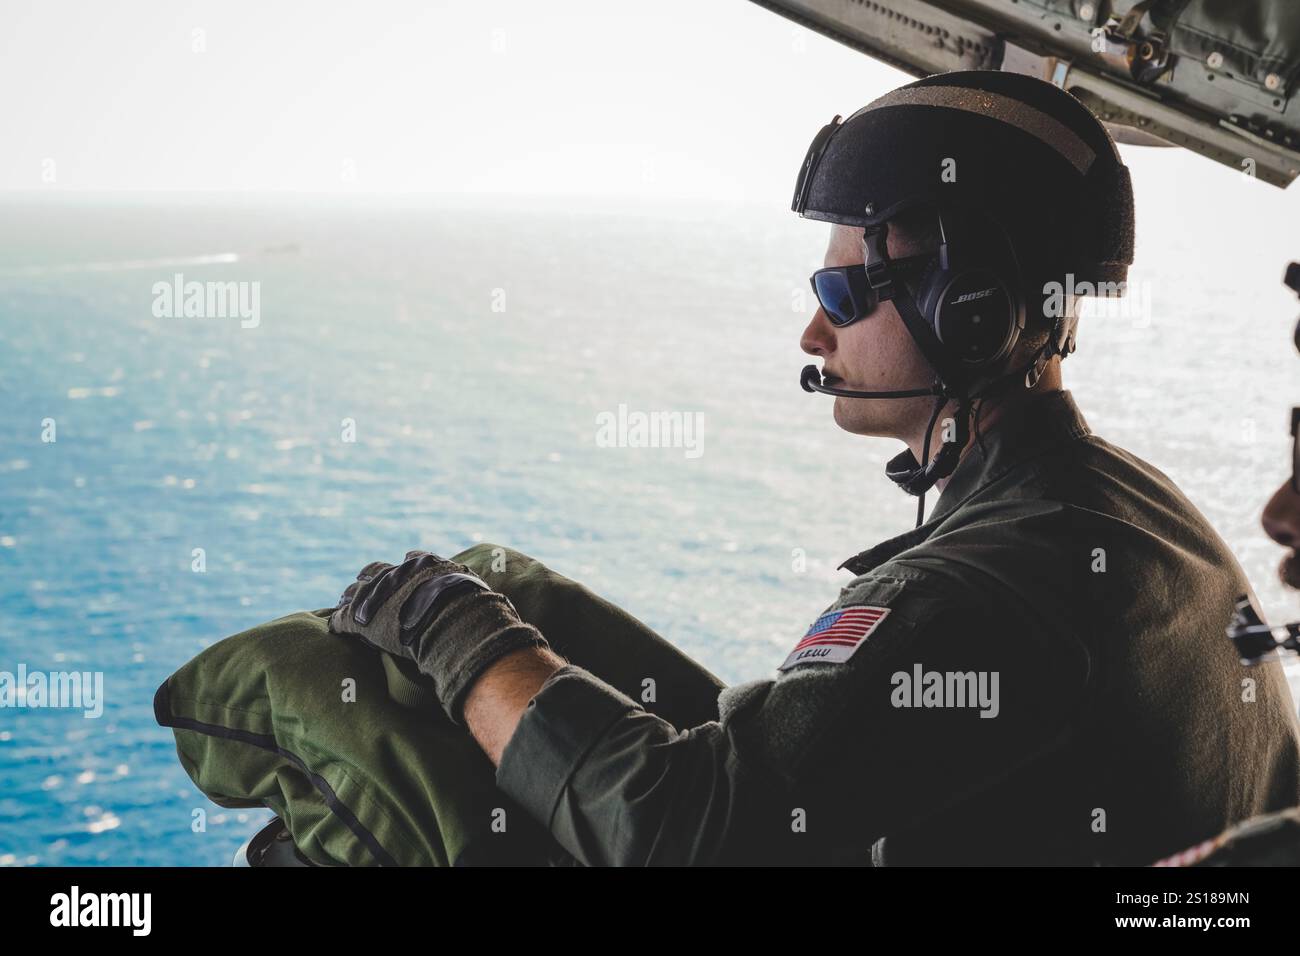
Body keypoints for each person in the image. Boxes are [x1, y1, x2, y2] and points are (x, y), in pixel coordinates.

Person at [328, 71, 1300, 865]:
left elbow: (677, 831)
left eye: (842, 288)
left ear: (969, 311)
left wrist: (450, 631)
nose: (813, 327)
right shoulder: (1138, 506)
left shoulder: (971, 591)